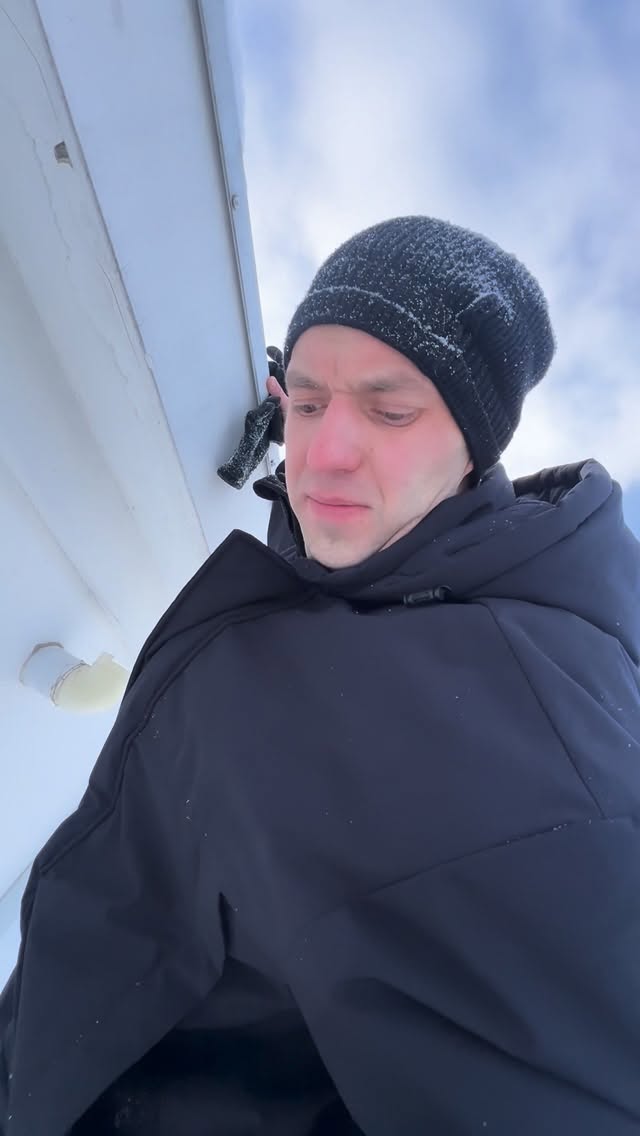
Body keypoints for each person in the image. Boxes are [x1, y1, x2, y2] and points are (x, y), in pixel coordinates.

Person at [1, 216, 639, 1136]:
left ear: (476, 444)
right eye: (305, 404)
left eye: (390, 411)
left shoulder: (543, 757)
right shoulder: (347, 570)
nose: (324, 453)